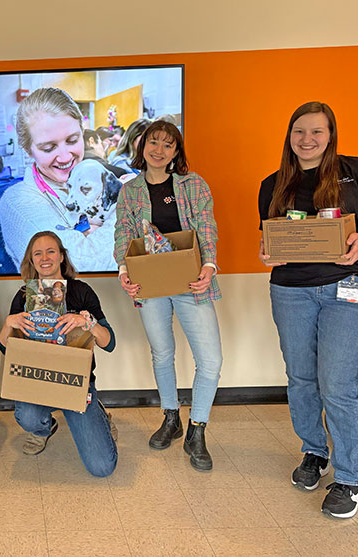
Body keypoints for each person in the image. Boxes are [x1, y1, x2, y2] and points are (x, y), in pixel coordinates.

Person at [259, 101, 358, 519]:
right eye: (299, 131)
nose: (308, 140)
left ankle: (351, 478)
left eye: (317, 132)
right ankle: (314, 452)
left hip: (348, 287)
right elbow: (271, 238)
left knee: (336, 383)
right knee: (300, 378)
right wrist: (267, 253)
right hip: (291, 290)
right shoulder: (273, 183)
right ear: (289, 135)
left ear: (331, 134)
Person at [114, 121, 222, 472]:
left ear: (177, 152)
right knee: (162, 353)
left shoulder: (193, 185)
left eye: (168, 145)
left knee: (210, 361)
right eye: (153, 142)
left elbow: (207, 228)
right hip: (151, 284)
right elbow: (123, 235)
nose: (159, 150)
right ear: (142, 146)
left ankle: (198, 429)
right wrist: (124, 271)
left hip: (192, 282)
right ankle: (171, 417)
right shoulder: (129, 191)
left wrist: (209, 267)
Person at [0, 231, 118, 477]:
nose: (45, 258)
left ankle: (97, 412)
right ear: (31, 261)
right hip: (36, 379)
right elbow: (4, 348)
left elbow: (109, 343)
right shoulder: (24, 296)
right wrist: (9, 323)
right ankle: (45, 428)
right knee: (28, 417)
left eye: (51, 251)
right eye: (37, 253)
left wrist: (87, 322)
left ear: (62, 256)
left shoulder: (80, 291)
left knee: (102, 468)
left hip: (76, 383)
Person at [0, 88, 119, 272]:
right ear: (27, 149)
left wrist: (94, 238)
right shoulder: (17, 202)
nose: (64, 157)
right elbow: (85, 266)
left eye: (72, 140)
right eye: (48, 148)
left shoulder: (94, 177)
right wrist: (126, 209)